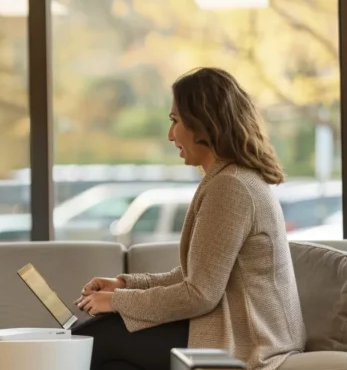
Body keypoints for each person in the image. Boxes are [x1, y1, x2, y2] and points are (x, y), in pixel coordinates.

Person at [73, 67, 307, 370]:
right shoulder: (230, 179)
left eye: (175, 121)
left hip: (250, 342)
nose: (171, 135)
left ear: (204, 124)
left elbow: (199, 295)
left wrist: (117, 302)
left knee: (92, 339)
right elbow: (195, 278)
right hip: (233, 331)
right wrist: (123, 285)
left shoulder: (232, 186)